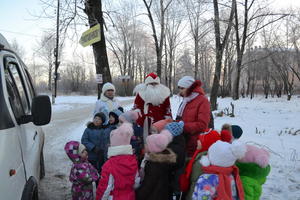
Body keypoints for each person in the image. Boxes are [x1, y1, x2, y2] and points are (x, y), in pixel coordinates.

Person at [136, 121, 186, 200]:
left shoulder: (171, 151)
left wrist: (137, 195)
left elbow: (149, 184)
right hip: (164, 190)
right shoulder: (174, 146)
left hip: (162, 191)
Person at [180, 129, 233, 199]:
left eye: (200, 140)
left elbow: (194, 179)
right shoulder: (201, 154)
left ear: (207, 143)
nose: (197, 141)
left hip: (194, 193)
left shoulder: (203, 162)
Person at [96, 123, 139, 200]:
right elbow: (136, 183)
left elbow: (105, 188)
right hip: (130, 196)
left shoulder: (109, 164)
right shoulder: (133, 160)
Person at [176, 76, 211, 158]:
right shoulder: (186, 100)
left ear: (189, 88)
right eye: (179, 88)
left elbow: (202, 125)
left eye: (182, 88)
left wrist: (182, 126)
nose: (180, 91)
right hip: (184, 140)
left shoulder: (203, 101)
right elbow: (180, 118)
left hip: (196, 142)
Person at [133, 72, 172, 141]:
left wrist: (168, 120)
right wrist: (139, 121)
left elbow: (167, 109)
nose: (153, 85)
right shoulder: (141, 94)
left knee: (159, 141)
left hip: (160, 121)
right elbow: (137, 108)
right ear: (147, 84)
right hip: (145, 122)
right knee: (146, 141)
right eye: (151, 84)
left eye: (155, 83)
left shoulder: (164, 94)